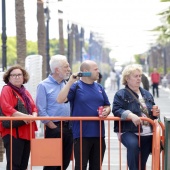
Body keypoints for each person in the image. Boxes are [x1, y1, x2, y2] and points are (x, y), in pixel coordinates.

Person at [57, 60, 111, 170]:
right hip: (82, 134)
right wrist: (70, 82)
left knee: (96, 167)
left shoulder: (99, 87)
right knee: (81, 166)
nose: (98, 71)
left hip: (99, 134)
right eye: (95, 69)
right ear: (85, 71)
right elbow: (60, 99)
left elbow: (107, 105)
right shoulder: (76, 86)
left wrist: (107, 110)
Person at [112, 64, 160, 170]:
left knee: (141, 164)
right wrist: (130, 115)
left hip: (147, 132)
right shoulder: (121, 94)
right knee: (133, 146)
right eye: (135, 76)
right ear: (127, 78)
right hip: (128, 131)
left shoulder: (147, 94)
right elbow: (116, 110)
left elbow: (153, 113)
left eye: (140, 76)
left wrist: (156, 113)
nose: (139, 78)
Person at [36, 55, 73, 170]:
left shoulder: (66, 84)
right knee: (51, 164)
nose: (69, 69)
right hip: (54, 128)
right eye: (66, 66)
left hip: (68, 128)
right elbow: (41, 109)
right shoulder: (43, 85)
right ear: (57, 69)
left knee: (64, 162)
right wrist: (52, 126)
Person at [0, 65, 38, 170]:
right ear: (8, 78)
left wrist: (33, 116)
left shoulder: (25, 92)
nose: (17, 77)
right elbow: (6, 107)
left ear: (23, 77)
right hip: (13, 132)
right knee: (14, 166)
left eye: (19, 75)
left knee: (23, 165)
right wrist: (27, 117)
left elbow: (34, 108)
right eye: (13, 75)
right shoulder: (7, 89)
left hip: (26, 131)